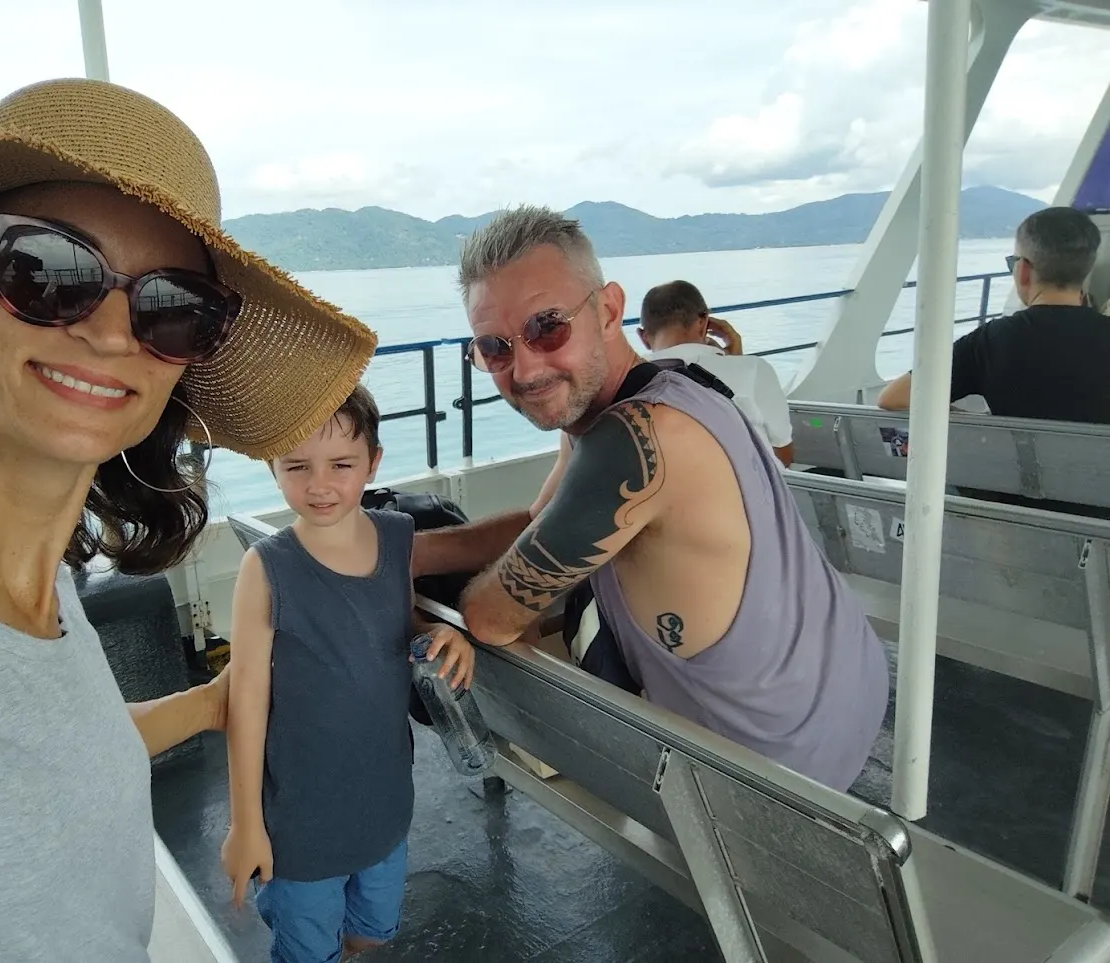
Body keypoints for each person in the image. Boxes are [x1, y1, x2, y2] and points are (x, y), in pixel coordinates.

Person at [0, 78, 376, 962]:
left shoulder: (43, 587)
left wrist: (206, 707)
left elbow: (35, 749)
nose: (114, 332)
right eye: (46, 270)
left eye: (172, 307)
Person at [411, 205, 889, 792]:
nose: (526, 368)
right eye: (495, 347)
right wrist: (401, 552)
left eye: (547, 326)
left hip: (772, 771)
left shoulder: (636, 441)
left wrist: (391, 588)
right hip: (842, 692)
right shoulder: (661, 385)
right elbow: (539, 524)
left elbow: (490, 617)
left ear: (609, 310)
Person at [221, 385, 475, 963]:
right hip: (301, 819)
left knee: (371, 933)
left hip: (385, 799)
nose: (320, 484)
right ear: (272, 467)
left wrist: (441, 633)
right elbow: (247, 700)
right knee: (309, 949)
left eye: (342, 464)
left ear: (374, 462)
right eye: (297, 466)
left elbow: (393, 623)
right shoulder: (266, 568)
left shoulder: (396, 535)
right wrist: (245, 824)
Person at [878, 206, 1110, 421]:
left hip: (1018, 465)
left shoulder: (989, 341)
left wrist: (980, 422)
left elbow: (894, 398)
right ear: (1085, 270)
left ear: (1024, 271)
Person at [637, 279, 795, 466]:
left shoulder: (632, 383)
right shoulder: (752, 370)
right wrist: (736, 362)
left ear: (642, 337)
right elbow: (783, 453)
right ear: (704, 323)